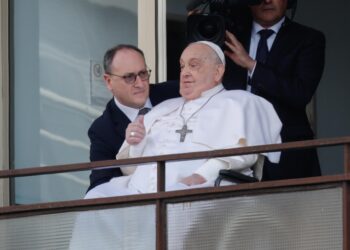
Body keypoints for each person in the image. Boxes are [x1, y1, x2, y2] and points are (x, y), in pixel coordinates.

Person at [84, 41, 282, 198]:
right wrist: (136, 143)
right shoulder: (166, 107)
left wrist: (201, 176)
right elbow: (128, 169)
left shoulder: (241, 103)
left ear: (218, 72)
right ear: (109, 82)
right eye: (181, 66)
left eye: (194, 65)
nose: (185, 72)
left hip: (199, 189)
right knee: (96, 196)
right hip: (140, 192)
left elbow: (244, 154)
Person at [223, 0, 326, 180]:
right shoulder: (229, 37)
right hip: (231, 147)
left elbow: (300, 93)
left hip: (287, 153)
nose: (267, 0)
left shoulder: (309, 38)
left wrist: (250, 64)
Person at [87, 44, 179, 192]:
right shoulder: (102, 130)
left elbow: (217, 90)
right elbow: (100, 186)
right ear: (108, 81)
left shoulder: (174, 92)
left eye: (143, 74)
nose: (140, 84)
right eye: (129, 77)